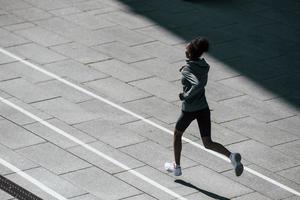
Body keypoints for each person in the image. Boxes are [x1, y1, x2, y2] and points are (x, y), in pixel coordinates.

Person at [165, 37, 244, 177]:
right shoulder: (204, 65)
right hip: (203, 108)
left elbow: (197, 84)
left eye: (186, 48)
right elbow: (198, 74)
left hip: (189, 109)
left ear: (189, 53)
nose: (185, 48)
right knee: (207, 142)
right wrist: (187, 67)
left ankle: (177, 167)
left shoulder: (188, 70)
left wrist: (185, 95)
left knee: (177, 134)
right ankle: (231, 156)